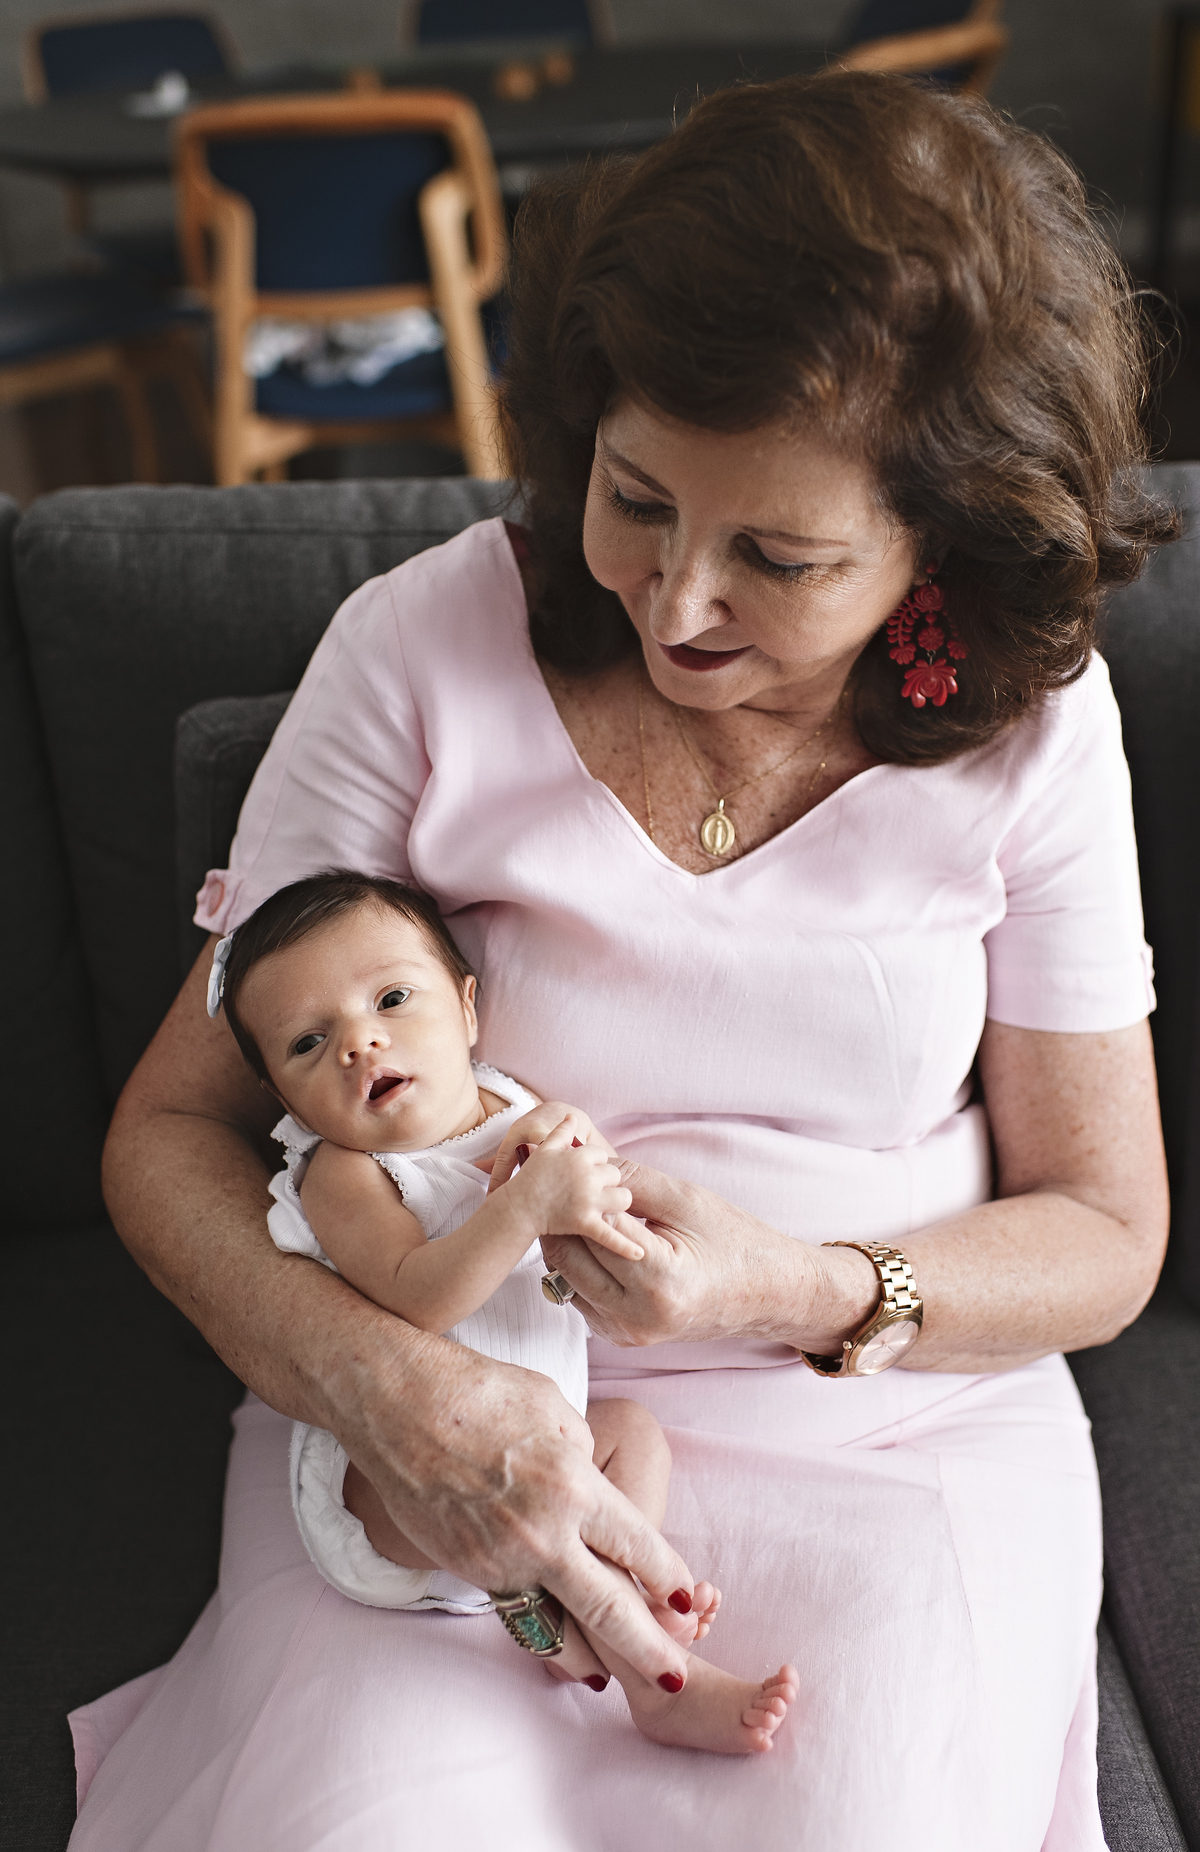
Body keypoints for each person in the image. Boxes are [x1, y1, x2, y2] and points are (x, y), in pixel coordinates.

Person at [77, 68, 1176, 1852]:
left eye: (778, 557)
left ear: (941, 544)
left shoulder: (1036, 732)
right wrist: (401, 1392)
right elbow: (169, 1131)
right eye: (637, 498)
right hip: (434, 1408)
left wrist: (794, 1286)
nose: (674, 601)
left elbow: (1108, 1229)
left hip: (882, 1433)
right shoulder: (419, 648)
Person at [213, 867, 798, 1752]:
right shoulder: (347, 1174)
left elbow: (591, 1204)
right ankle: (657, 1680)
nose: (359, 1045)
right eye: (307, 1043)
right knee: (480, 1478)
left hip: (547, 1450)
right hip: (397, 1487)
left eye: (392, 999)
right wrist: (523, 1207)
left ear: (467, 1009)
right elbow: (417, 1295)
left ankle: (614, 1589)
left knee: (632, 1435)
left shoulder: (515, 1105)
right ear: (285, 1100)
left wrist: (582, 1169)